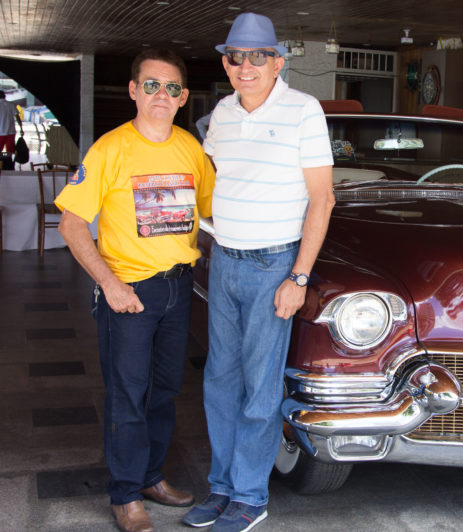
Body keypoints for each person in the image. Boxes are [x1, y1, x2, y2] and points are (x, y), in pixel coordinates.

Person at [182, 12, 334, 532]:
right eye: (235, 57)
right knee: (219, 381)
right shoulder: (222, 114)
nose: (245, 66)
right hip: (224, 258)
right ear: (226, 64)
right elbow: (212, 182)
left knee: (260, 388)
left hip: (274, 265)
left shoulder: (304, 110)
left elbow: (322, 199)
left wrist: (299, 277)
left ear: (277, 62)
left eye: (257, 57)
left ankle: (250, 496)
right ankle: (222, 488)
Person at [55, 48, 215, 532]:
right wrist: (110, 284)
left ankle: (150, 477)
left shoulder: (190, 148)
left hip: (178, 288)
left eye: (171, 87)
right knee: (128, 395)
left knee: (164, 391)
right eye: (151, 85)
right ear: (133, 90)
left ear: (183, 97)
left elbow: (214, 209)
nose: (161, 94)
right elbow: (71, 224)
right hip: (128, 293)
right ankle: (125, 495)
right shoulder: (109, 149)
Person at [0, 90, 22, 154]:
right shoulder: (12, 105)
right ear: (4, 96)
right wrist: (21, 128)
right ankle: (9, 160)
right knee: (10, 152)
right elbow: (18, 118)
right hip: (11, 132)